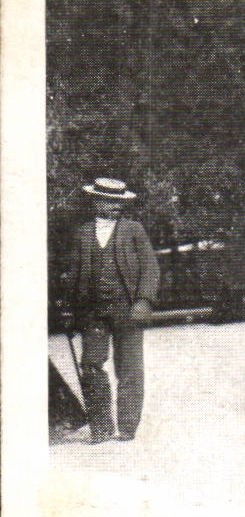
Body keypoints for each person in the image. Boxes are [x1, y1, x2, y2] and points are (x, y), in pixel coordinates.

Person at [63, 177, 160, 443]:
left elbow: (150, 269)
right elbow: (73, 274)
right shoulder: (82, 233)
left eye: (119, 202)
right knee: (91, 365)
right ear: (96, 202)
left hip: (128, 310)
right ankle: (101, 426)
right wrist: (69, 310)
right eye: (109, 201)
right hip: (92, 312)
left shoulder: (133, 230)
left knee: (129, 367)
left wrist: (143, 301)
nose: (116, 206)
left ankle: (127, 427)